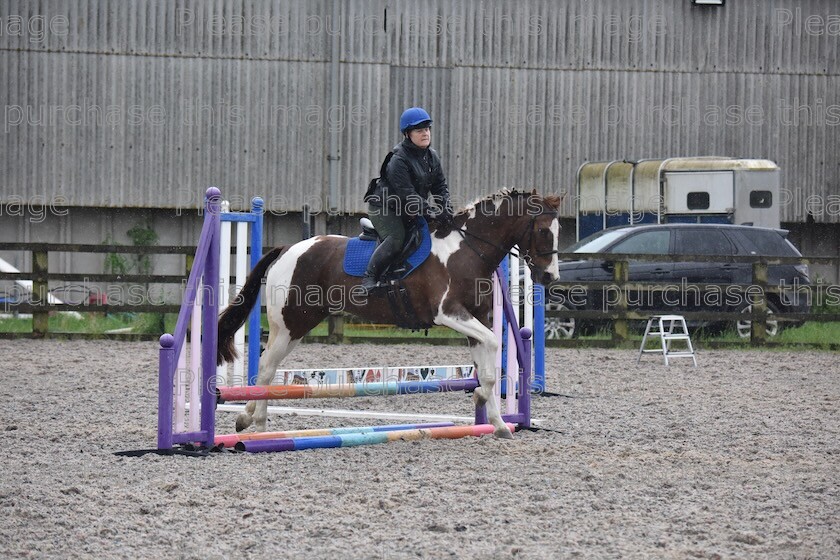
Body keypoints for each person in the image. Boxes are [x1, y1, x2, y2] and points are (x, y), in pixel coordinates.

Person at [361, 107, 453, 293]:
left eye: (427, 129)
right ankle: (369, 279)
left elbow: (440, 187)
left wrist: (446, 209)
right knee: (397, 238)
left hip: (409, 208)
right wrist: (431, 212)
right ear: (407, 134)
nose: (425, 133)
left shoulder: (431, 156)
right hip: (385, 208)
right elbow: (407, 194)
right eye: (419, 130)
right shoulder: (398, 160)